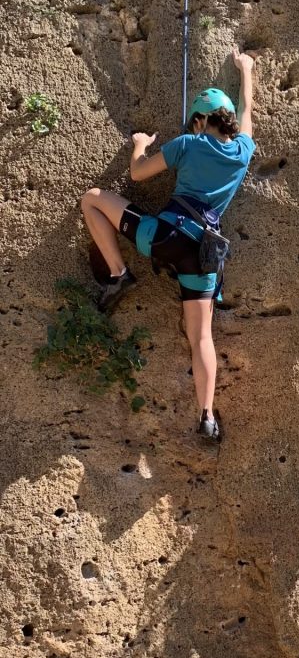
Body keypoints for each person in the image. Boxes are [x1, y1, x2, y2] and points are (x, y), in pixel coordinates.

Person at [80, 46, 256, 441]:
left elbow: (139, 173)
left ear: (199, 120)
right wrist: (246, 70)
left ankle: (118, 274)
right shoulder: (243, 152)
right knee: (202, 337)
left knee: (92, 199)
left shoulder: (187, 144)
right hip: (205, 254)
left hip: (166, 236)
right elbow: (248, 111)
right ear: (225, 121)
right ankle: (207, 416)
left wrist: (140, 143)